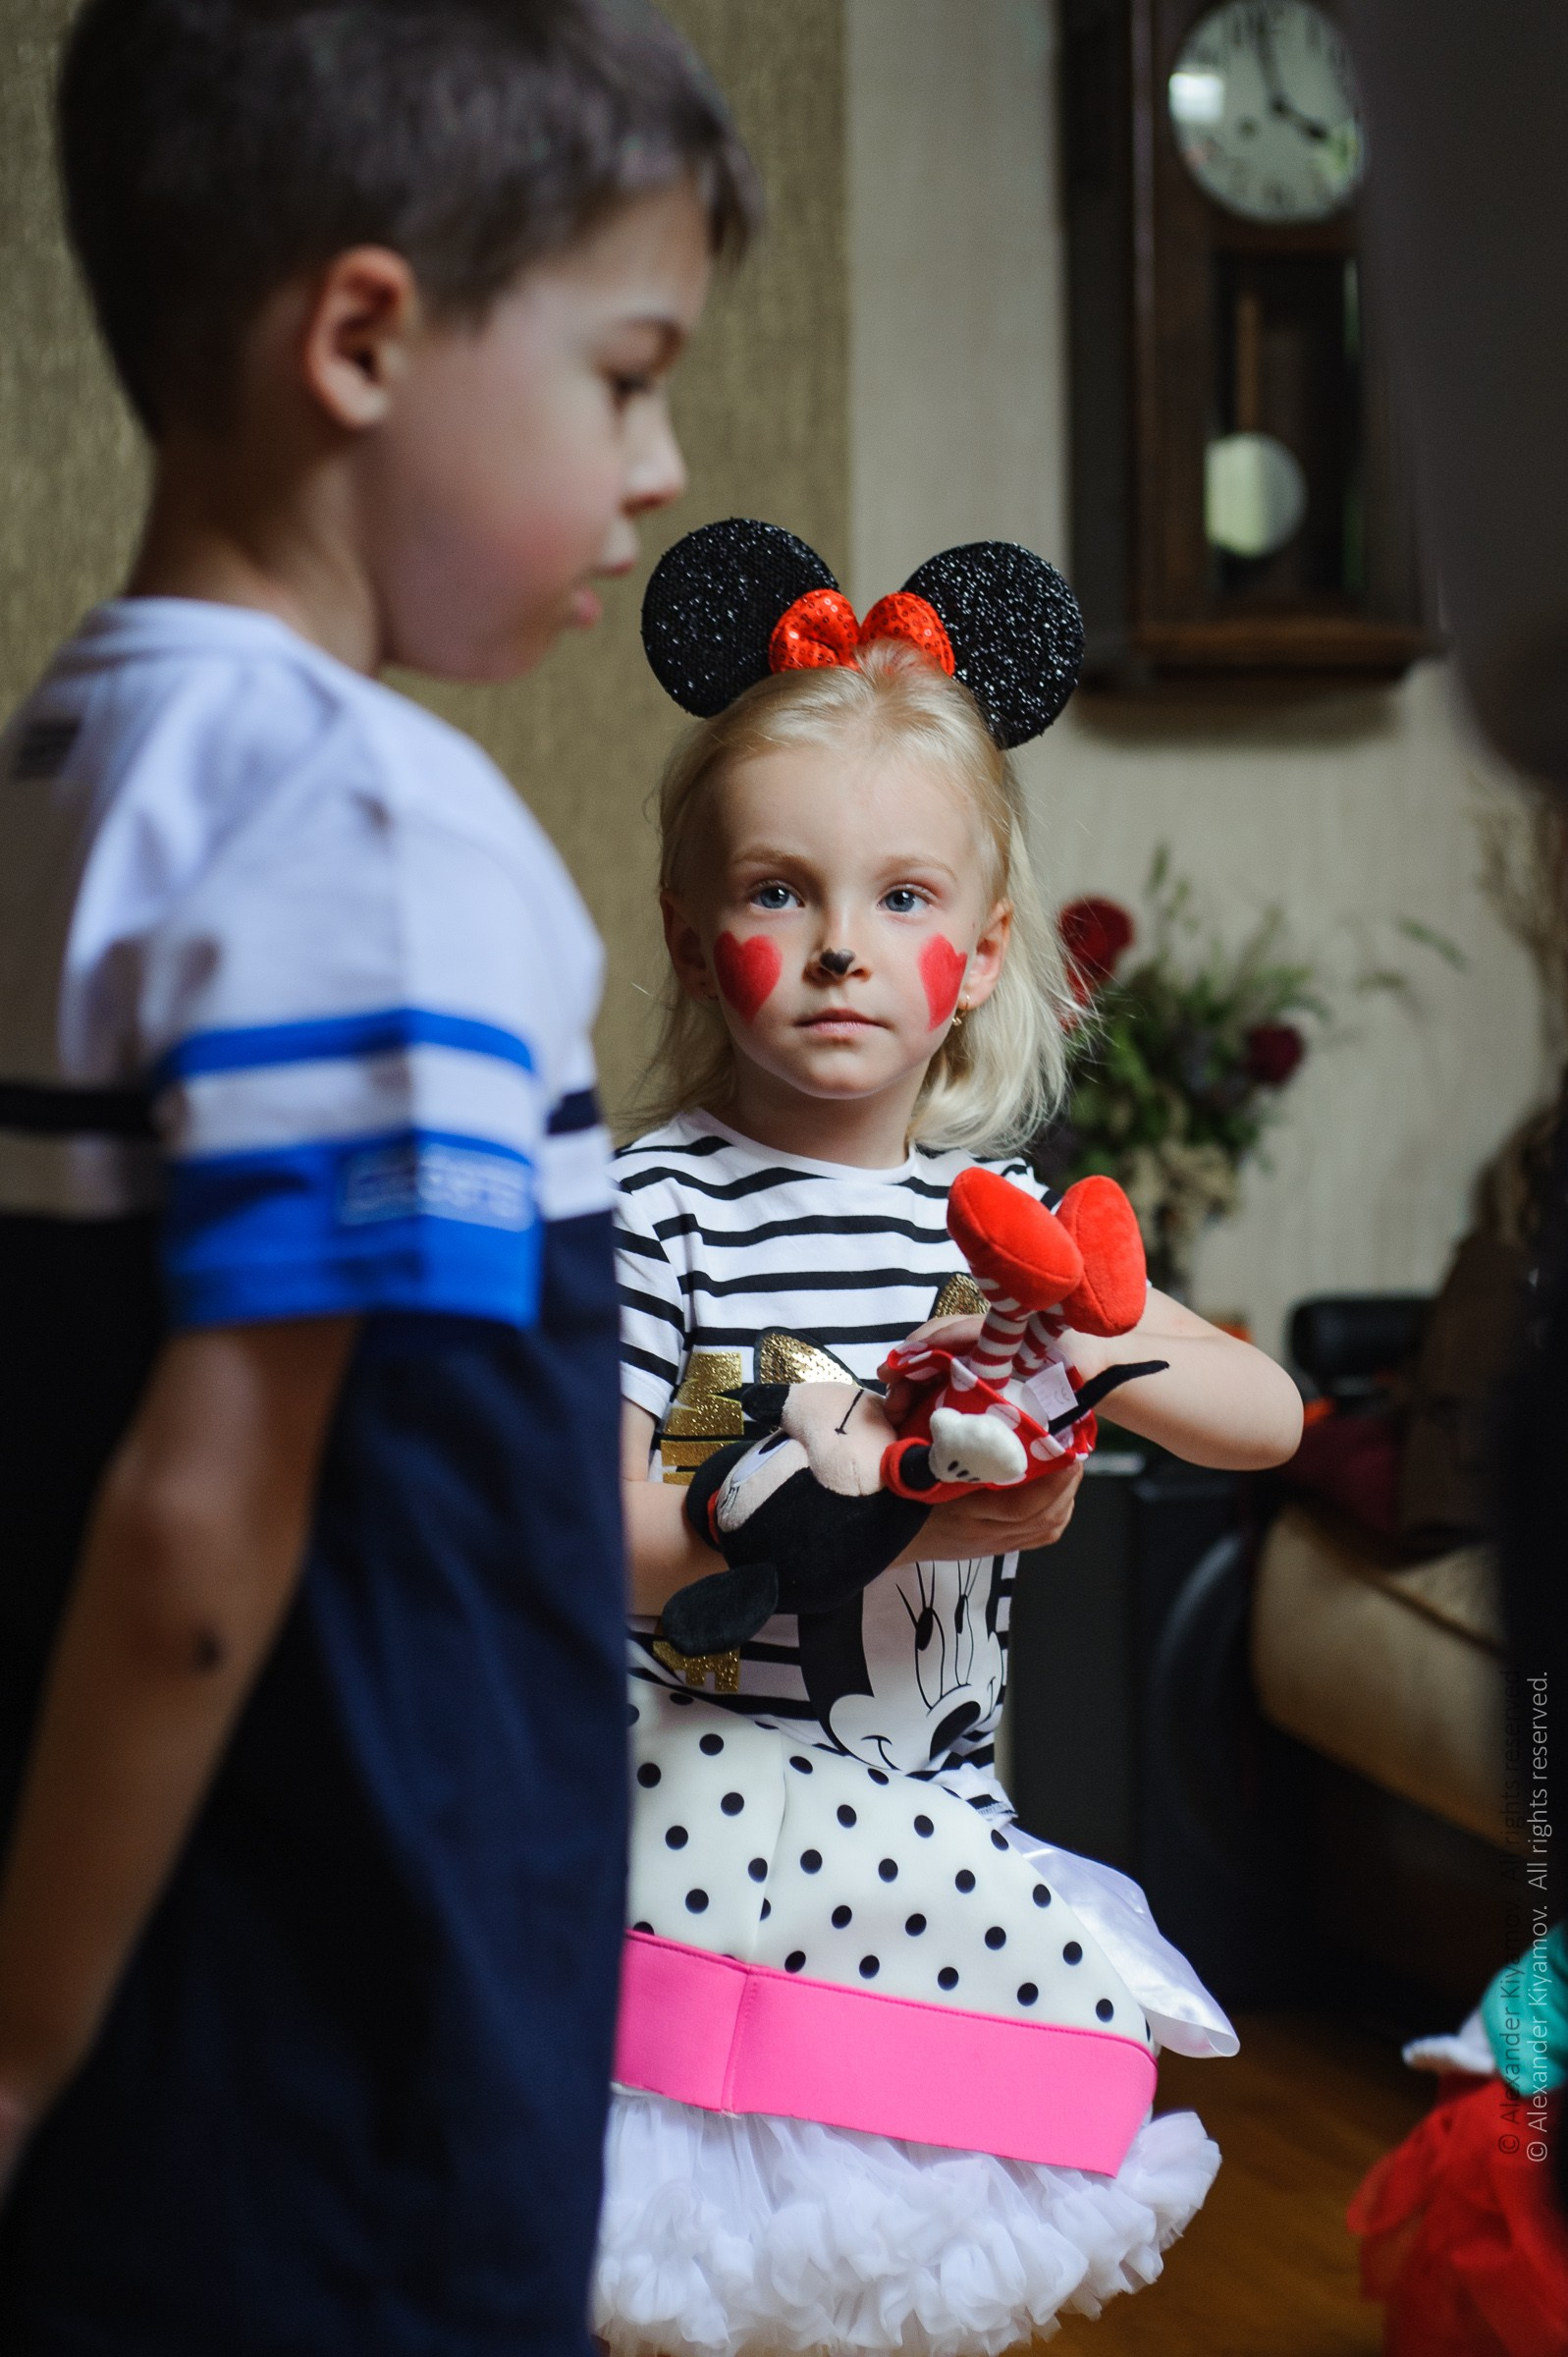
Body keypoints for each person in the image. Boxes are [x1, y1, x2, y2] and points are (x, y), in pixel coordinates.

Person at [0, 4, 756, 2351]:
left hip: (158, 1983)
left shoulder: (74, 763)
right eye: (625, 377)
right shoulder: (364, 830)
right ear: (361, 338)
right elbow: (204, 1513)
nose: (658, 470)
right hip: (339, 2031)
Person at [593, 521, 1304, 2354]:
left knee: (896, 2291)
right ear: (689, 936)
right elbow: (593, 1537)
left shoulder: (991, 1226)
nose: (842, 946)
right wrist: (874, 1498)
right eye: (779, 893)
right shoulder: (649, 1213)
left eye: (903, 899)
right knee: (677, 2293)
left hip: (928, 1865)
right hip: (685, 1859)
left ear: (983, 958)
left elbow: (1268, 1418)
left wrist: (1082, 1322)